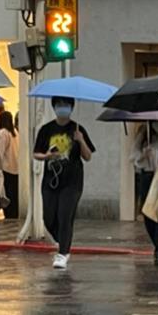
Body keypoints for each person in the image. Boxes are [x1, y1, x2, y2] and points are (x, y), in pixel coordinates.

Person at [33, 97, 95, 270]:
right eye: (59, 105)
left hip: (72, 182)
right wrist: (47, 156)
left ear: (72, 107)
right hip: (51, 181)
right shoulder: (46, 130)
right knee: (49, 217)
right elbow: (36, 153)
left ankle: (62, 253)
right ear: (54, 107)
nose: (63, 108)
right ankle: (63, 240)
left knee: (65, 215)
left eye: (66, 105)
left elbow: (88, 156)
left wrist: (81, 139)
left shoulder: (78, 129)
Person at [132, 121, 158, 265]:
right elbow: (133, 156)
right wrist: (143, 155)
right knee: (147, 213)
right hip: (147, 175)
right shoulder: (144, 133)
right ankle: (157, 243)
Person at [0, 110, 19, 219]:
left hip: (6, 168)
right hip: (16, 167)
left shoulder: (3, 133)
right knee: (15, 193)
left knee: (7, 194)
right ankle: (14, 213)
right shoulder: (15, 132)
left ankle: (9, 214)